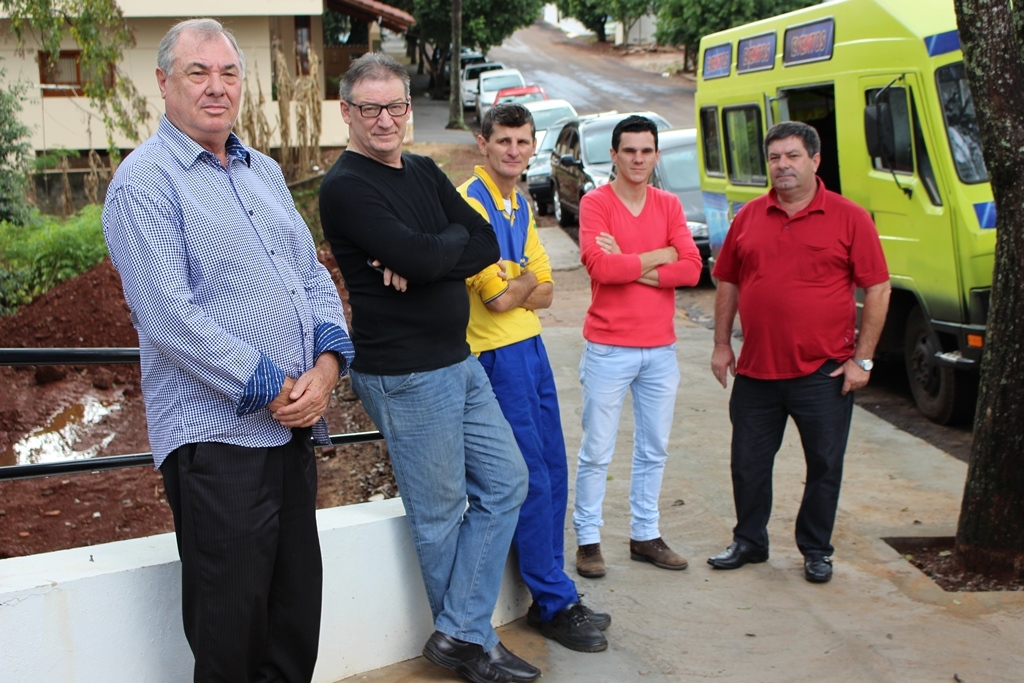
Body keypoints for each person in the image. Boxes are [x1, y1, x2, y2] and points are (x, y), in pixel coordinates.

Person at [102, 19, 354, 682]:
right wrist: (273, 386)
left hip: (291, 430)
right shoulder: (144, 183)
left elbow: (312, 277)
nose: (217, 87)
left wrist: (327, 369)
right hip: (218, 447)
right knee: (231, 633)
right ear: (164, 83)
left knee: (294, 621)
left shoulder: (261, 170)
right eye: (198, 72)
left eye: (229, 72)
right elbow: (169, 317)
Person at [318, 53, 532, 683]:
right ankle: (473, 644)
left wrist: (427, 257)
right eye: (371, 108)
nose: (385, 119)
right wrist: (431, 253)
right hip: (406, 373)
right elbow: (431, 251)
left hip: (457, 359)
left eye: (396, 106)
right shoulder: (346, 186)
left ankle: (460, 632)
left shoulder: (423, 169)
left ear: (409, 107)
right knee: (440, 515)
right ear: (347, 112)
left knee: (507, 481)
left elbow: (484, 240)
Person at [708, 120, 891, 584]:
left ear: (815, 160)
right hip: (756, 371)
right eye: (774, 157)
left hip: (823, 373)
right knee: (747, 464)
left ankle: (815, 549)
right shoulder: (749, 216)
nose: (782, 165)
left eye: (792, 156)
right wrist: (721, 345)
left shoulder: (850, 217)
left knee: (824, 465)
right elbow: (728, 280)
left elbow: (878, 288)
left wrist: (863, 360)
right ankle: (749, 541)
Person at [459, 103, 611, 656]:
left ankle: (556, 591)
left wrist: (517, 279)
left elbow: (547, 289)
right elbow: (499, 299)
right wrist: (519, 279)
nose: (514, 151)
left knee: (554, 468)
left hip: (531, 348)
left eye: (523, 141)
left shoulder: (520, 202)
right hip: (495, 356)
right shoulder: (468, 204)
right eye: (504, 140)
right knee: (531, 478)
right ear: (483, 143)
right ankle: (552, 602)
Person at [573, 115, 703, 579]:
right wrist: (660, 256)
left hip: (660, 350)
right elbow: (601, 269)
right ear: (613, 154)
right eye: (629, 150)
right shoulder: (595, 203)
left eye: (646, 151)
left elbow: (692, 269)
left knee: (654, 448)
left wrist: (629, 263)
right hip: (609, 348)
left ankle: (645, 535)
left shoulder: (668, 204)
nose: (638, 159)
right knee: (597, 451)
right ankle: (588, 540)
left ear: (656, 155)